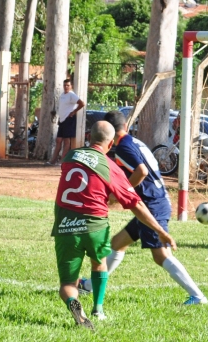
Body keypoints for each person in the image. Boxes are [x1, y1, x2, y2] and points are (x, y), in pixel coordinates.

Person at [52, 121, 177, 330]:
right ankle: (98, 309)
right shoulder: (109, 166)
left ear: (89, 137)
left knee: (67, 284)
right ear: (111, 144)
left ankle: (75, 305)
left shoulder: (70, 156)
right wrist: (161, 231)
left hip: (65, 224)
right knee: (99, 262)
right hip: (94, 225)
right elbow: (136, 204)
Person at [79, 111, 208, 306]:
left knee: (161, 255)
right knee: (117, 243)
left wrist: (125, 191)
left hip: (151, 204)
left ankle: (198, 297)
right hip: (154, 200)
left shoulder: (123, 147)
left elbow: (142, 171)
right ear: (126, 127)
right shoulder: (134, 141)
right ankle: (89, 286)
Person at [47, 79, 85, 165]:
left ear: (71, 86)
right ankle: (53, 160)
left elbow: (82, 103)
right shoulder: (63, 95)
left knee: (67, 141)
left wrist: (74, 112)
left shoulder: (72, 95)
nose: (66, 87)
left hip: (69, 119)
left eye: (68, 85)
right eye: (65, 85)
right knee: (58, 140)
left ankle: (62, 160)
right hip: (62, 119)